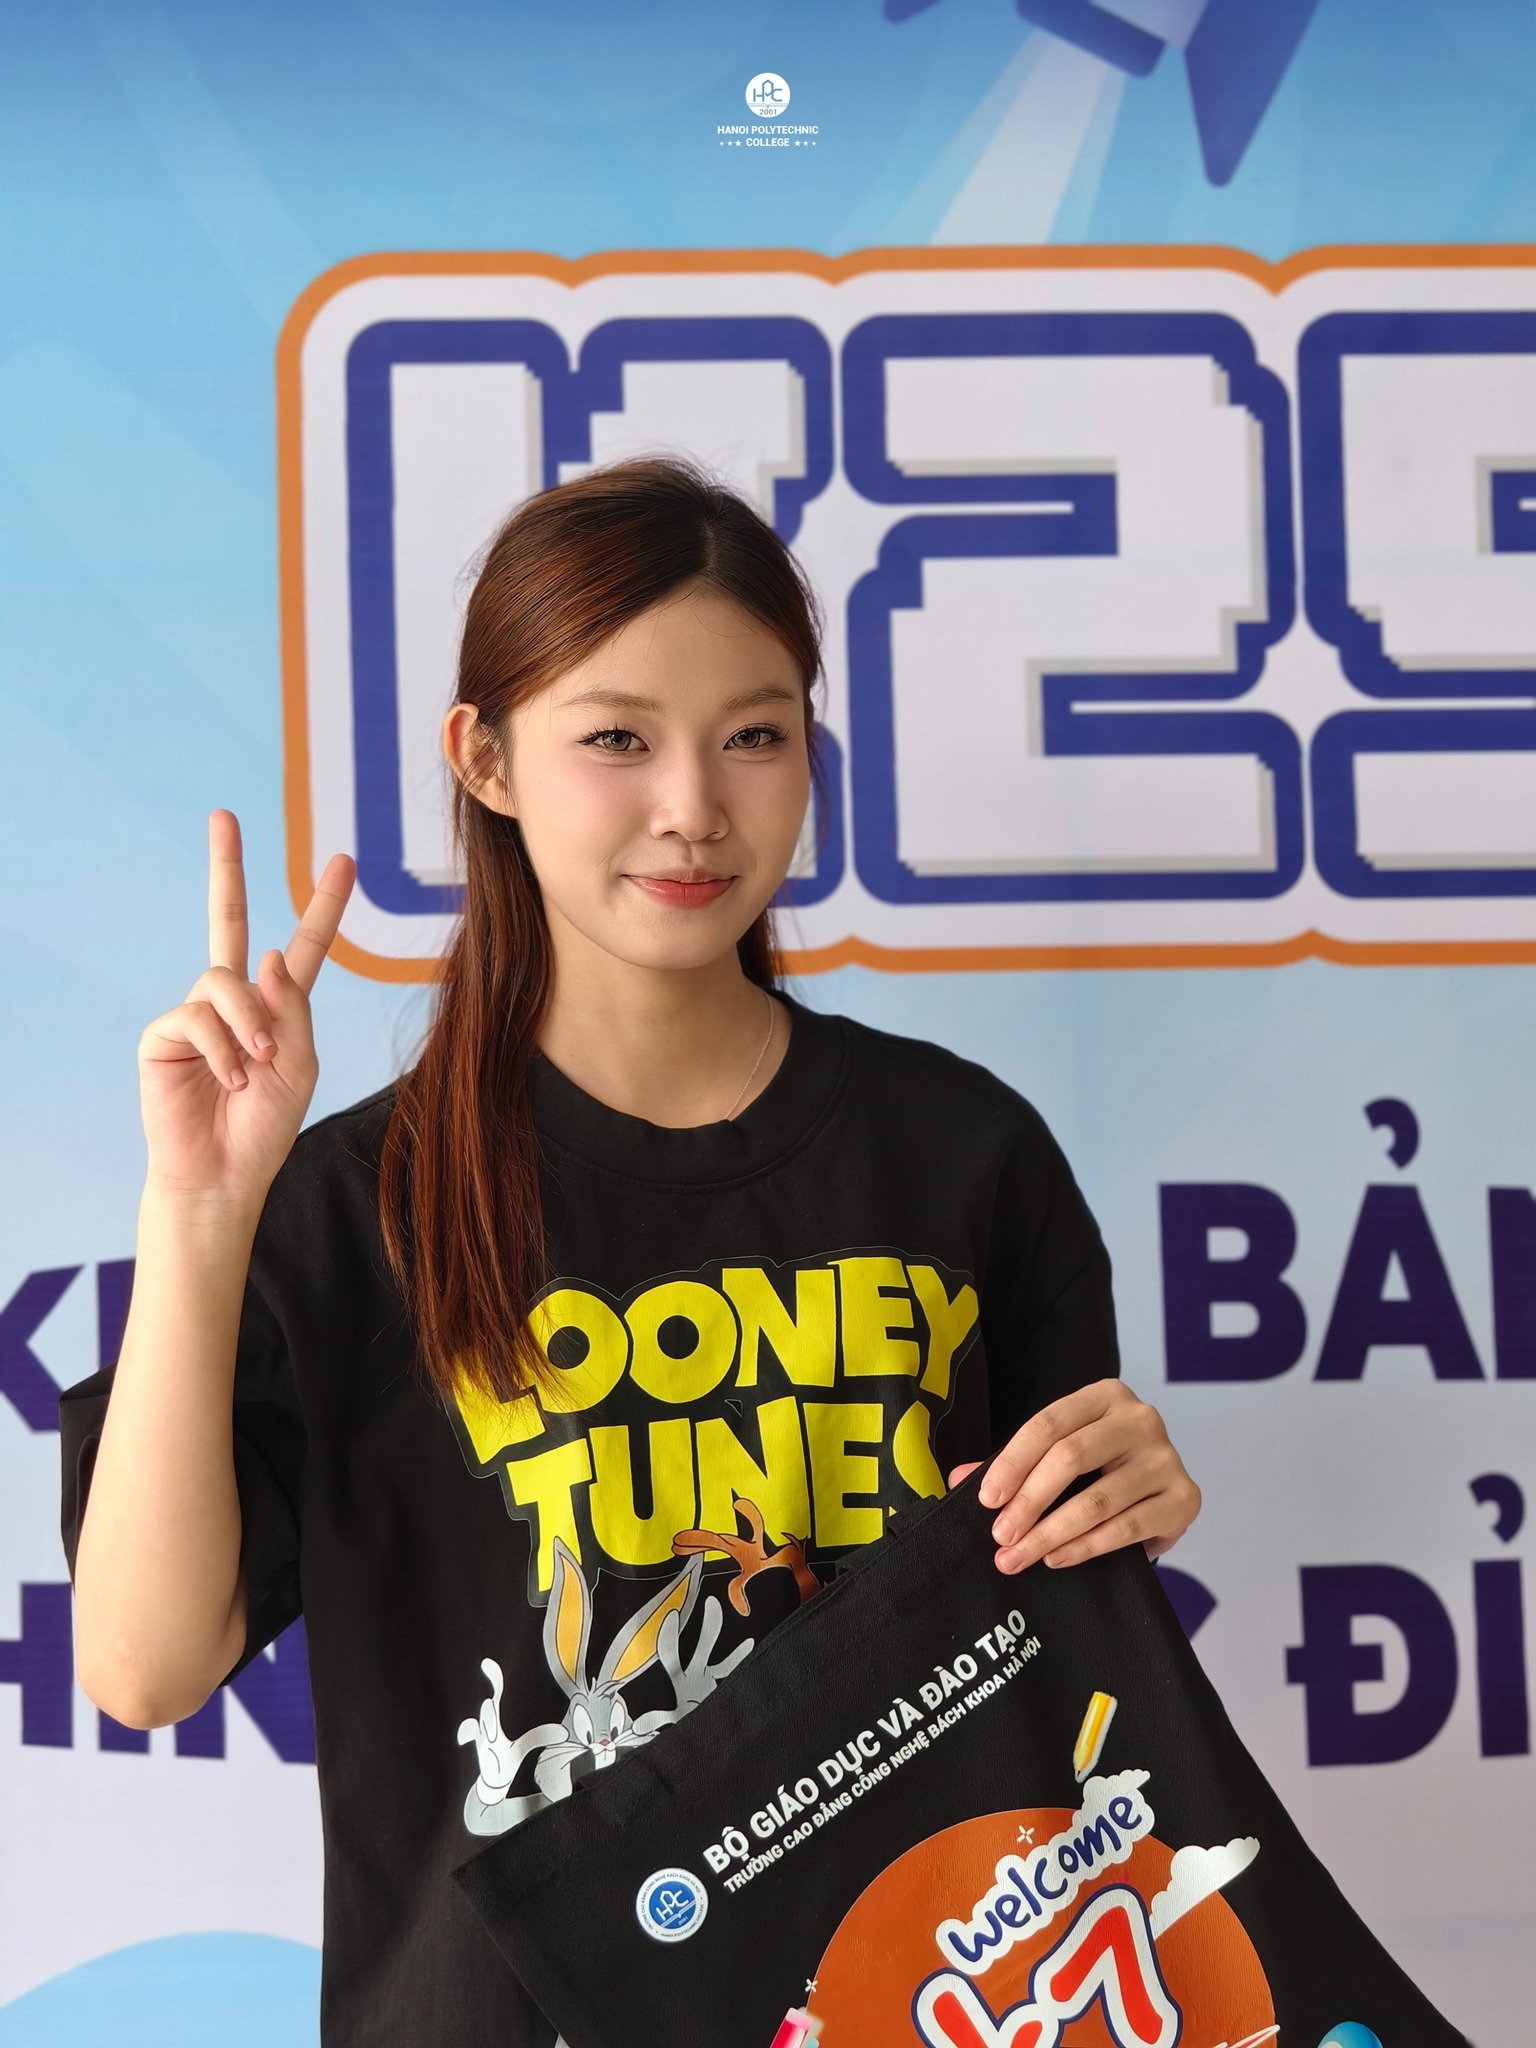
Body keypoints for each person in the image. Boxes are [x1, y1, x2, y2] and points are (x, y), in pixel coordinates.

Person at [62, 457, 1200, 2046]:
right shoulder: (348, 1203)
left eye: (756, 735)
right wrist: (199, 1210)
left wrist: (1121, 1500)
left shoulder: (963, 1155)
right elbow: (144, 1667)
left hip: (931, 1994)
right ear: (486, 758)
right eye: (617, 739)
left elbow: (1056, 1650)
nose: (694, 808)